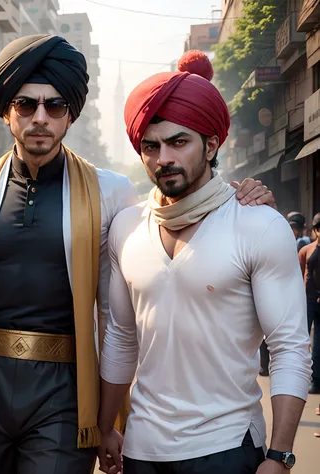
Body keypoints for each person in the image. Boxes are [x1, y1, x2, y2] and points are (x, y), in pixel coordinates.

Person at [0, 38, 276, 474]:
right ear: (5, 111)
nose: (40, 118)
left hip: (66, 394)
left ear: (70, 114)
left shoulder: (111, 192)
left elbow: (158, 239)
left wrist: (238, 200)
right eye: (26, 104)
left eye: (54, 106)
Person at [97, 51, 312, 474]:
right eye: (151, 146)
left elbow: (289, 347)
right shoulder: (126, 227)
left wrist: (281, 455)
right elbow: (122, 337)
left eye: (179, 142)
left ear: (211, 144)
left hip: (228, 446)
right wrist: (106, 427)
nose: (164, 159)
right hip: (143, 448)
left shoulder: (257, 225)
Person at [298, 213, 320, 396]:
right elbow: (299, 273)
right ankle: (299, 377)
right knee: (300, 340)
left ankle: (316, 379)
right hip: (307, 299)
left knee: (318, 342)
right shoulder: (306, 250)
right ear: (315, 230)